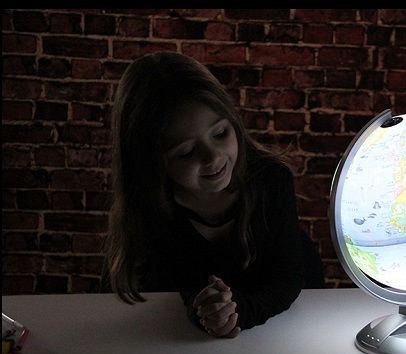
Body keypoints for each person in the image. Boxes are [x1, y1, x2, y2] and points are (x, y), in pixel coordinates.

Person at [102, 51, 324, 338]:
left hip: (288, 325)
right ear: (152, 163)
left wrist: (237, 313)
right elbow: (178, 289)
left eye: (220, 134)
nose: (213, 157)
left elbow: (286, 279)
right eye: (186, 152)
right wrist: (207, 312)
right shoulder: (150, 210)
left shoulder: (270, 179)